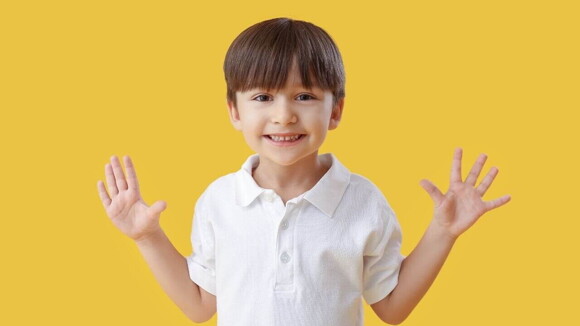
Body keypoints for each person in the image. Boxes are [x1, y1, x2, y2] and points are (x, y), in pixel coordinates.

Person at [96, 17, 511, 325]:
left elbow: (392, 307)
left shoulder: (364, 202)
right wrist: (148, 237)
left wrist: (443, 232)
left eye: (304, 95)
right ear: (234, 110)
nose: (284, 115)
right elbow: (200, 305)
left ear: (336, 110)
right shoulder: (219, 202)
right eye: (262, 96)